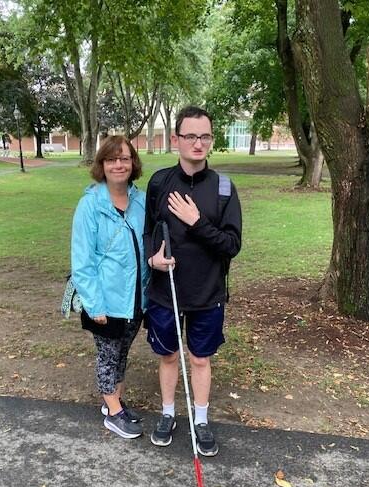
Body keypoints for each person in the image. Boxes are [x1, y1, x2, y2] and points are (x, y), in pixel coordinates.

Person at [144, 106, 242, 456]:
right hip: (165, 290)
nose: (198, 143)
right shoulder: (158, 183)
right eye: (191, 136)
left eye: (205, 136)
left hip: (207, 291)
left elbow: (231, 245)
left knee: (200, 359)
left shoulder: (224, 188)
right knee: (169, 355)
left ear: (211, 141)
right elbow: (147, 234)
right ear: (176, 140)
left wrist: (197, 222)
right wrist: (152, 259)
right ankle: (168, 414)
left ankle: (200, 420)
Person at [71, 135, 149, 439]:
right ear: (102, 164)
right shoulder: (90, 204)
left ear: (133, 163)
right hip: (105, 299)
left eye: (125, 158)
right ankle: (113, 413)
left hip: (134, 298)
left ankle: (114, 402)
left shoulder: (140, 201)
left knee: (122, 354)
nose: (119, 165)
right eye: (111, 159)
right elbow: (82, 260)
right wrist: (94, 304)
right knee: (107, 355)